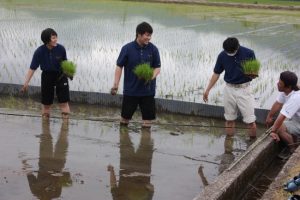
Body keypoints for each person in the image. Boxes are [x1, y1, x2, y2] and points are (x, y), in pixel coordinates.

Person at [203, 37, 256, 138]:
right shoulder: (222, 55)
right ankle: (228, 146)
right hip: (229, 89)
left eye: (232, 52)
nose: (229, 53)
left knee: (250, 121)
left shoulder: (249, 53)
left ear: (237, 48)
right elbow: (216, 74)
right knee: (229, 119)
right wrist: (207, 90)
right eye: (227, 52)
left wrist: (252, 74)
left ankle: (253, 143)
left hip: (244, 89)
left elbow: (253, 73)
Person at [111, 22, 161, 128]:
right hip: (131, 90)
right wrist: (116, 84)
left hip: (148, 91)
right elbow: (119, 66)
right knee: (125, 119)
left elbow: (157, 67)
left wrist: (151, 76)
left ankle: (146, 143)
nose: (149, 38)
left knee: (147, 122)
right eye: (147, 35)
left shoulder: (153, 49)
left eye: (150, 35)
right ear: (139, 34)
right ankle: (124, 142)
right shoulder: (127, 48)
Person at [21, 28, 70, 119]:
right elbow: (32, 68)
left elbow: (65, 63)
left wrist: (69, 72)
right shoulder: (39, 52)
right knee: (46, 103)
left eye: (56, 37)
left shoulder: (61, 49)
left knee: (64, 102)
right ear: (47, 40)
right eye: (53, 38)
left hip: (61, 75)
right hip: (47, 76)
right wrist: (26, 82)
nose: (56, 40)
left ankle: (65, 127)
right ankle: (45, 128)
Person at [107, 127, 154, 200]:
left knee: (143, 143)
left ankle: (126, 126)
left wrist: (111, 170)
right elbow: (151, 189)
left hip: (137, 168)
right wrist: (111, 170)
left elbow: (113, 186)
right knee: (127, 142)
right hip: (137, 167)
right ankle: (126, 127)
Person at [266, 71, 300, 154]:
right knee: (279, 124)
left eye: (280, 83)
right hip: (296, 120)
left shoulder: (296, 97)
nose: (277, 84)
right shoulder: (285, 91)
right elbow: (278, 103)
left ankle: (293, 150)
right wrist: (269, 117)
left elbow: (282, 116)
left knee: (279, 127)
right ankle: (294, 142)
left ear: (288, 86)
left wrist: (273, 131)